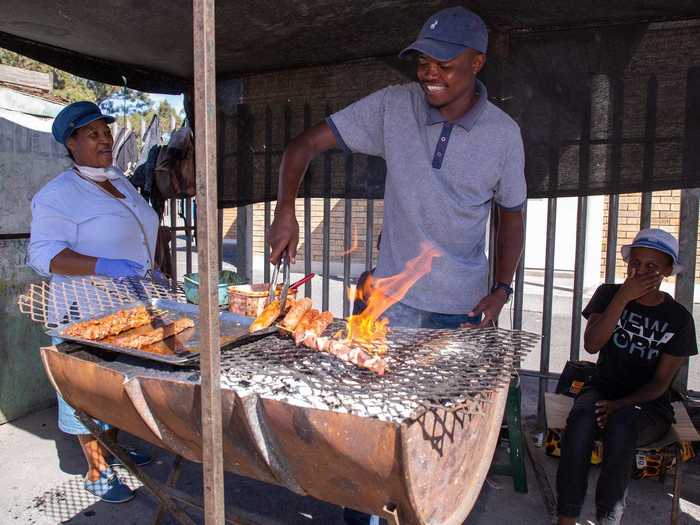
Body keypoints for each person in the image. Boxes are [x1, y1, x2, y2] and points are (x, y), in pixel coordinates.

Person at [268, 7, 526, 523]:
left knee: (436, 444)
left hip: (460, 315)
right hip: (388, 310)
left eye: (444, 64)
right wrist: (285, 209)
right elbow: (302, 147)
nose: (429, 73)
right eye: (422, 61)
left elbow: (512, 216)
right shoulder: (393, 107)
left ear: (478, 62)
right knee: (367, 436)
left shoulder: (503, 135)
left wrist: (501, 288)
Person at [28, 101, 158, 503]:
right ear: (71, 143)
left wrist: (155, 262)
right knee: (84, 390)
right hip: (84, 308)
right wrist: (104, 264)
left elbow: (143, 225)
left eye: (106, 132)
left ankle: (113, 450)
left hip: (129, 302)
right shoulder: (58, 195)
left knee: (117, 387)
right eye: (92, 134)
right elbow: (43, 257)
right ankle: (96, 470)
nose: (105, 140)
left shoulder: (117, 179)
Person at [556, 228, 697, 525]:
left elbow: (661, 383)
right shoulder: (609, 294)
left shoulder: (679, 318)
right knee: (580, 424)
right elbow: (592, 344)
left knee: (622, 427)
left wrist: (621, 405)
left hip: (647, 403)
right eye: (635, 264)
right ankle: (566, 517)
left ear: (668, 271)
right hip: (602, 388)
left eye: (651, 267)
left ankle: (608, 519)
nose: (640, 272)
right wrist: (622, 299)